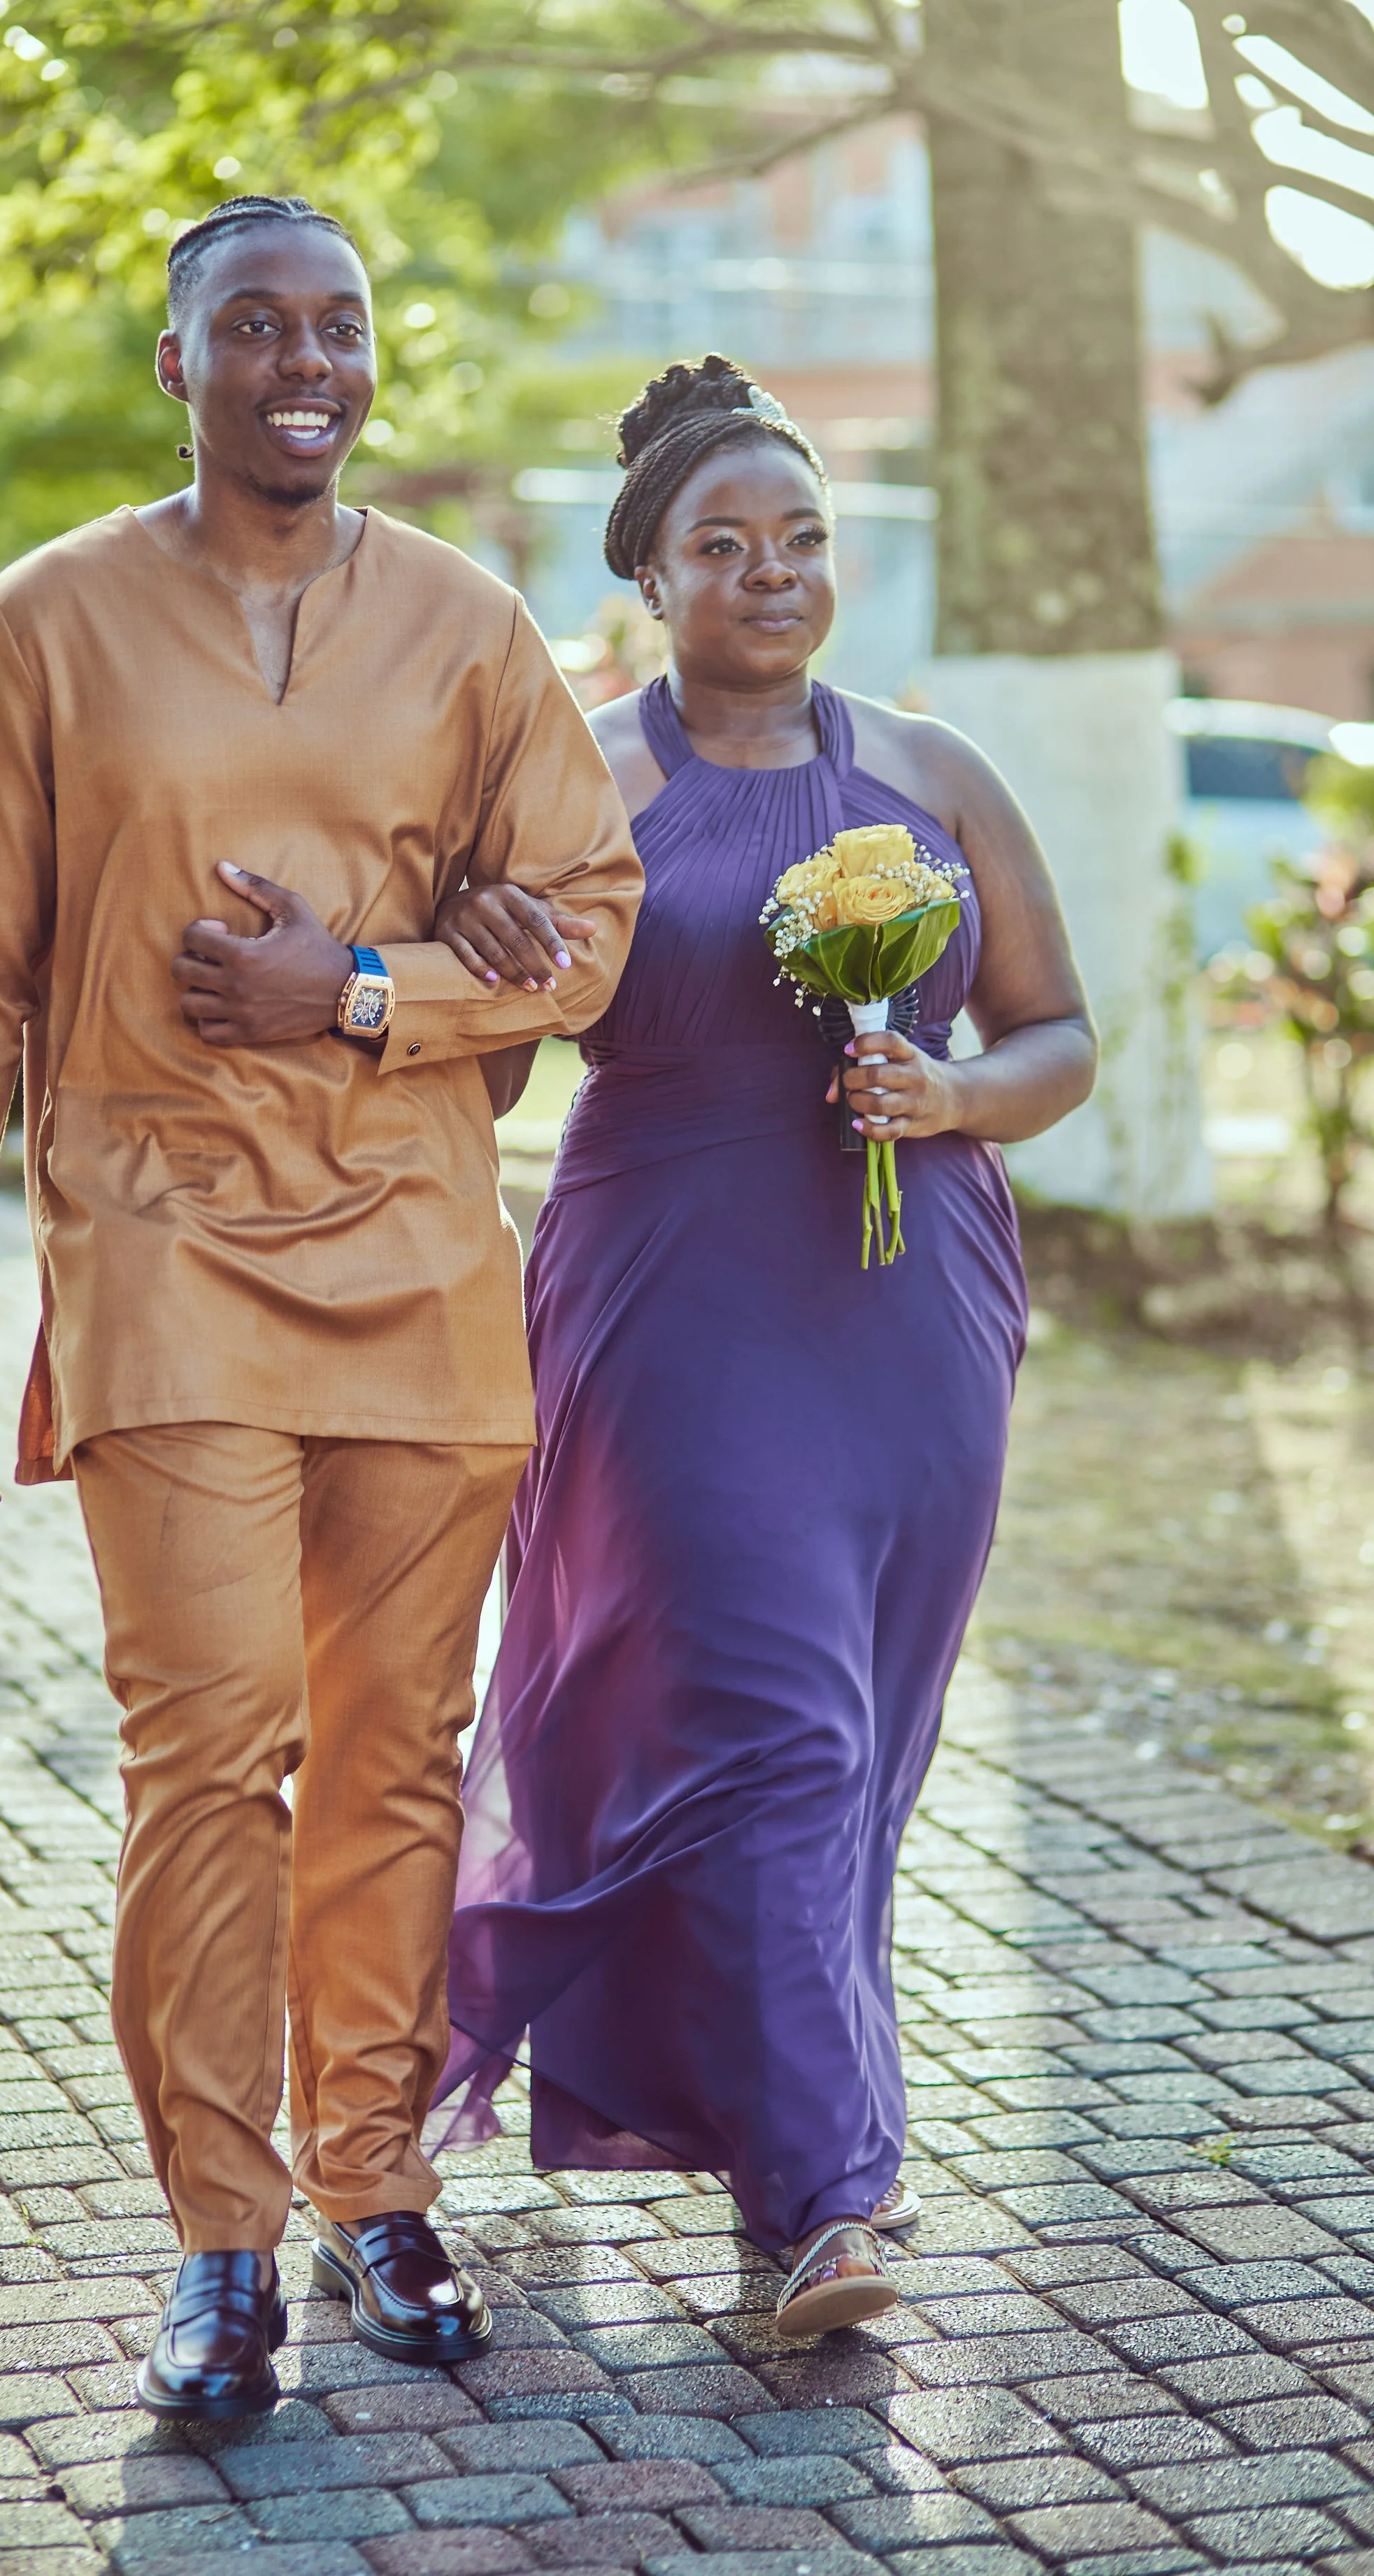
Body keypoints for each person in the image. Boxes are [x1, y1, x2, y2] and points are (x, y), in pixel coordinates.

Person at [0, 195, 642, 2422]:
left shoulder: (472, 626)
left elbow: (592, 923)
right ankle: (221, 2239)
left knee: (391, 1754)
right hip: (158, 1237)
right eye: (256, 326)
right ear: (178, 362)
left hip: (416, 1260)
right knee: (208, 1753)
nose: (307, 359)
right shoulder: (53, 623)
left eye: (341, 325)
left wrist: (370, 986)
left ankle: (372, 2178)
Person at [431, 355, 1095, 2338]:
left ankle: (780, 2141)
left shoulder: (936, 770)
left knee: (852, 1764)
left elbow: (1057, 1038)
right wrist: (467, 954)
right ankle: (830, 2203)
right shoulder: (578, 778)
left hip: (913, 1319)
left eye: (800, 538)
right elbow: (471, 1070)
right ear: (647, 576)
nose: (770, 574)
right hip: (670, 1307)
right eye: (720, 547)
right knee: (772, 1731)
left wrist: (949, 1103)